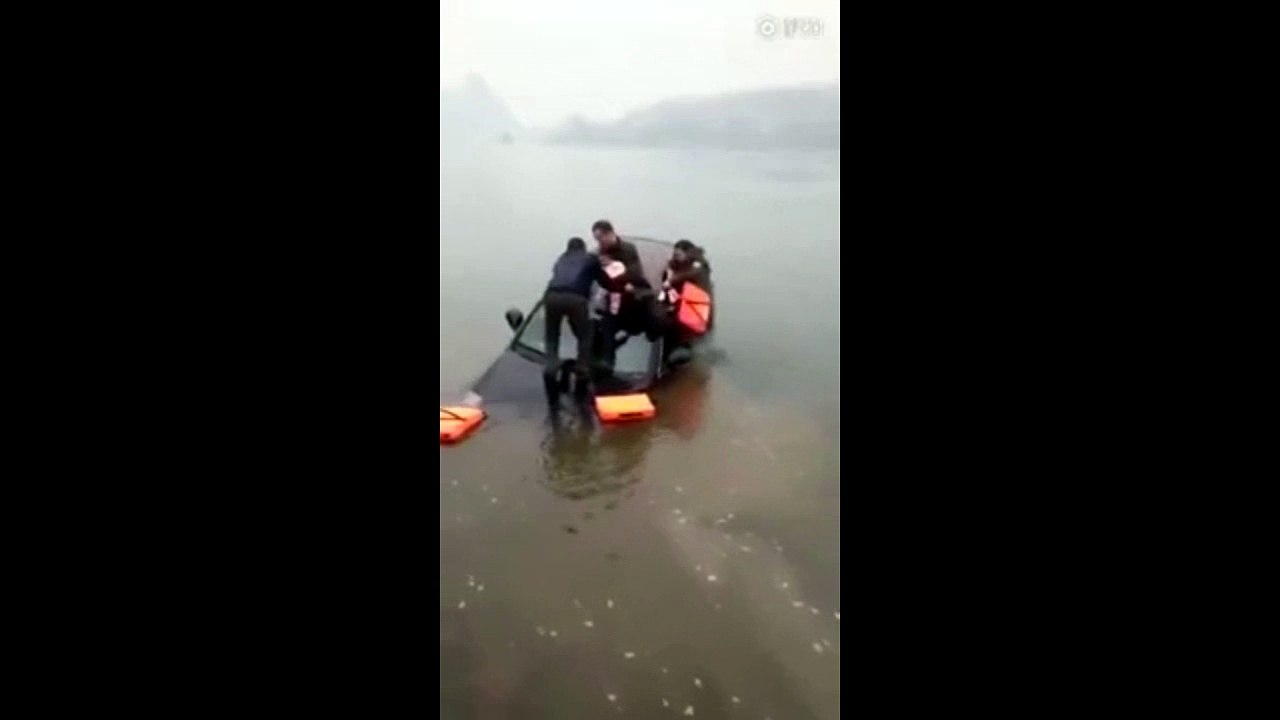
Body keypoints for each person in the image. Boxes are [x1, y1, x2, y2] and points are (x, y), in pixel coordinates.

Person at [543, 237, 606, 404]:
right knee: (585, 335)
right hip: (576, 300)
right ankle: (582, 369)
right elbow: (604, 280)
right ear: (583, 248)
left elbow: (555, 279)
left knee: (551, 335)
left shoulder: (561, 259)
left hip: (552, 297)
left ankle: (550, 366)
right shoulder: (590, 259)